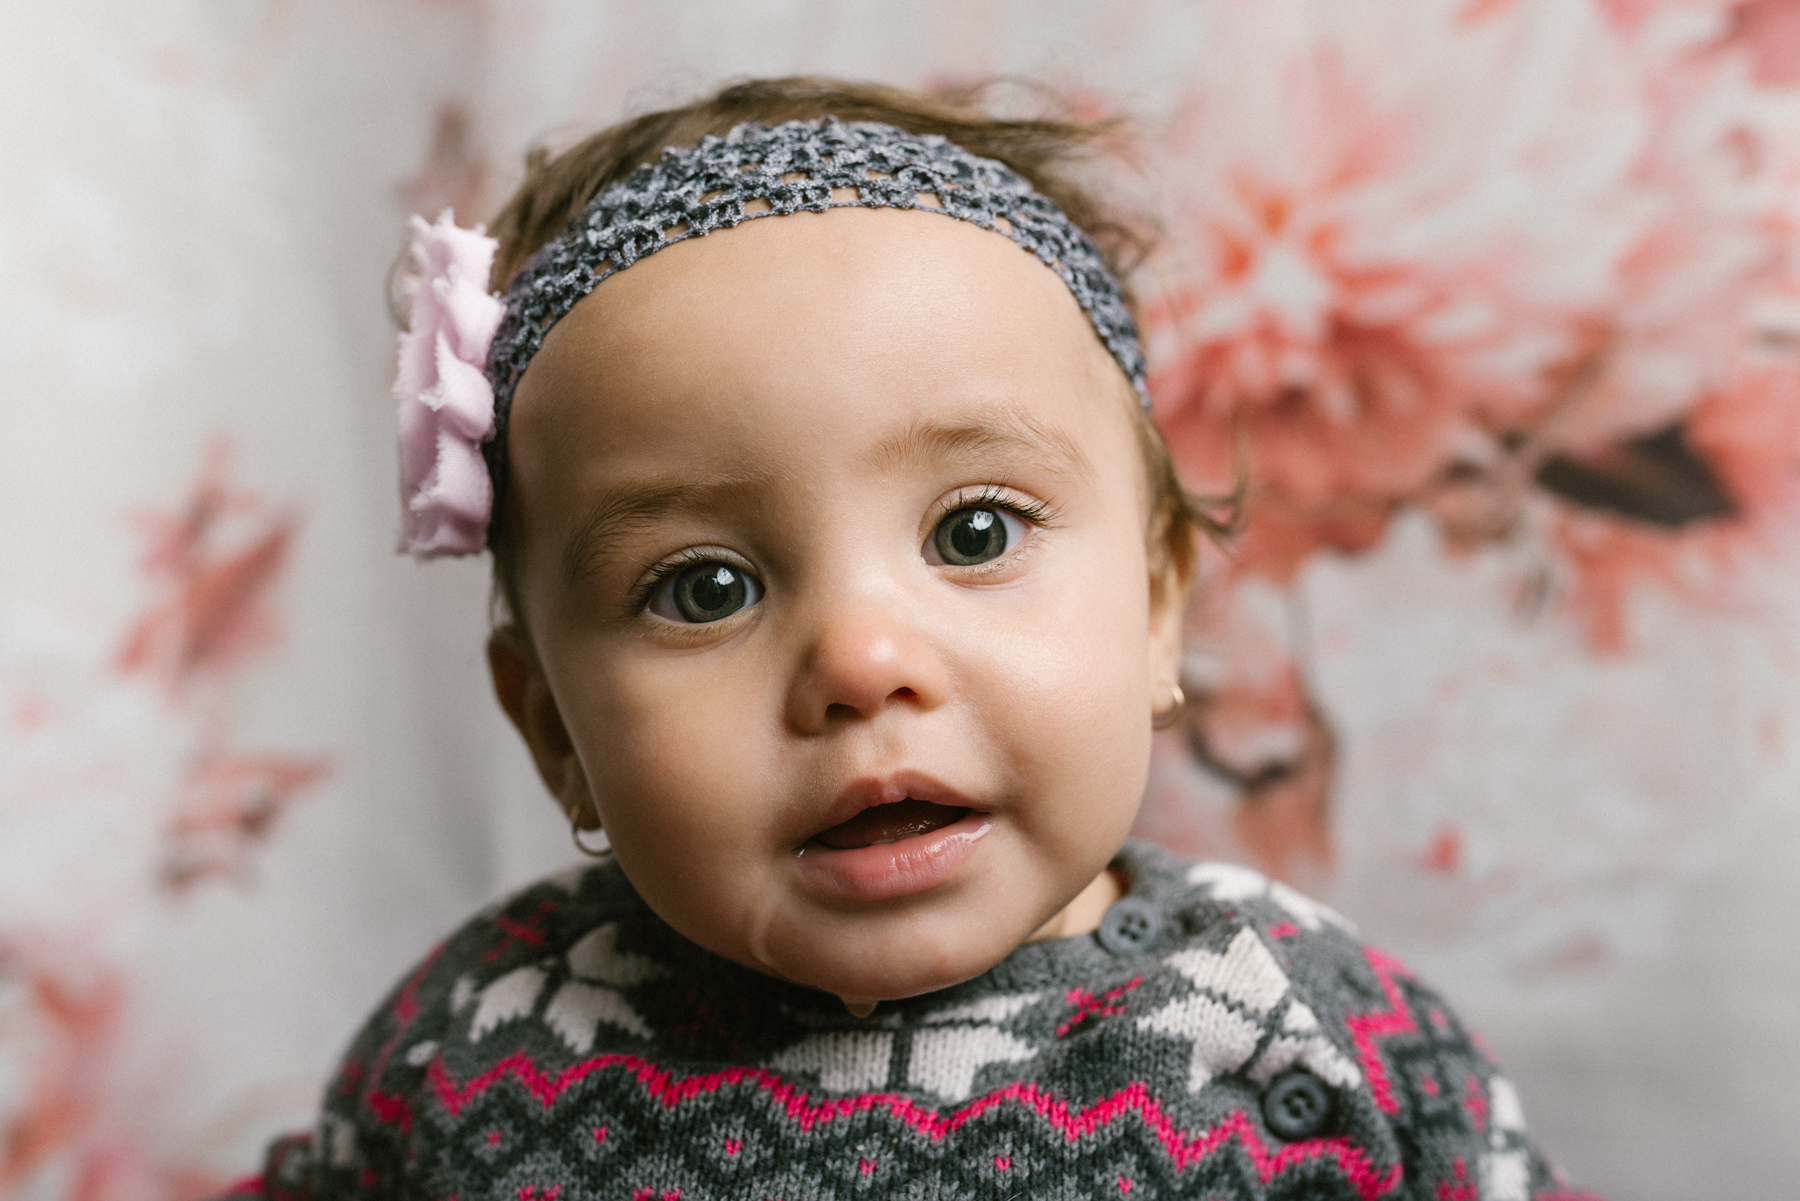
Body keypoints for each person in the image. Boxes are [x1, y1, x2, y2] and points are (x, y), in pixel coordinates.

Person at [225, 78, 1597, 1201]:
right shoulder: (482, 1038)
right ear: (553, 732)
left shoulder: (1299, 1024)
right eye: (703, 586)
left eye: (976, 532)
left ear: (1159, 599)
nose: (861, 662)